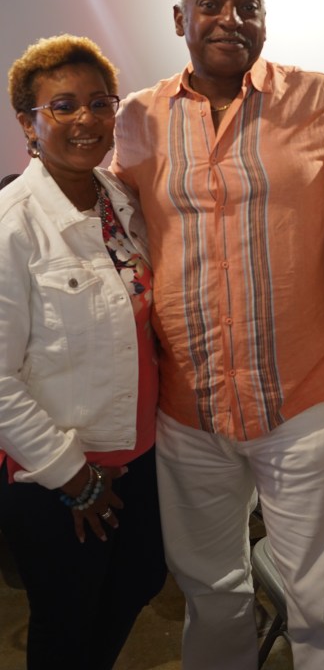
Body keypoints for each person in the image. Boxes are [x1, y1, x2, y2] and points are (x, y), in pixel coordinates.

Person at [110, 0, 324, 670]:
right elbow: (107, 224)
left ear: (264, 18)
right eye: (210, 4)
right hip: (188, 407)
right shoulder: (137, 120)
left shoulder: (322, 102)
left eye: (247, 5)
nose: (230, 18)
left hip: (304, 399)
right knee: (211, 589)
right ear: (179, 19)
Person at [0, 34, 166, 670]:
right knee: (67, 625)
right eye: (63, 106)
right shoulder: (14, 224)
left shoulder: (119, 201)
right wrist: (72, 475)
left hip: (139, 455)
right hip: (62, 473)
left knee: (138, 580)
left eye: (100, 103)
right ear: (28, 123)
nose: (86, 119)